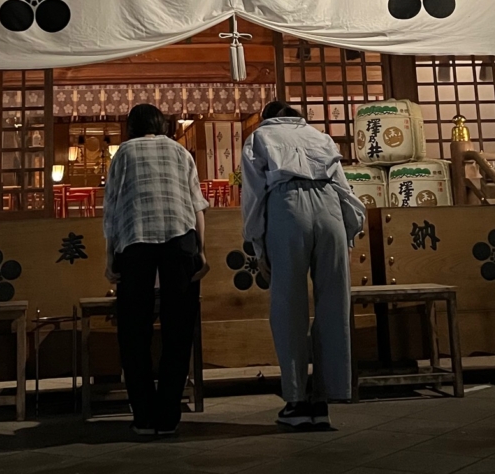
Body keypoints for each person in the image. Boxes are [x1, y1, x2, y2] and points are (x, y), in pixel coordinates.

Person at [240, 100, 365, 430]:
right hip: (330, 209)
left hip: (288, 207)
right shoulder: (319, 136)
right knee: (334, 304)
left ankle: (296, 402)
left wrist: (257, 244)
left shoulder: (259, 138)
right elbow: (342, 186)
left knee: (288, 305)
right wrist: (350, 229)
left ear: (268, 118)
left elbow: (254, 196)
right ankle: (326, 397)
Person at [102, 103, 210, 436]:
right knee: (179, 328)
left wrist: (110, 258)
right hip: (181, 240)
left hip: (136, 241)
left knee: (134, 330)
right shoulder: (181, 153)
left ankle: (144, 416)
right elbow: (196, 205)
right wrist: (201, 252)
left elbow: (113, 208)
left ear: (130, 128)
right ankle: (169, 416)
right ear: (162, 125)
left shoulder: (124, 153)